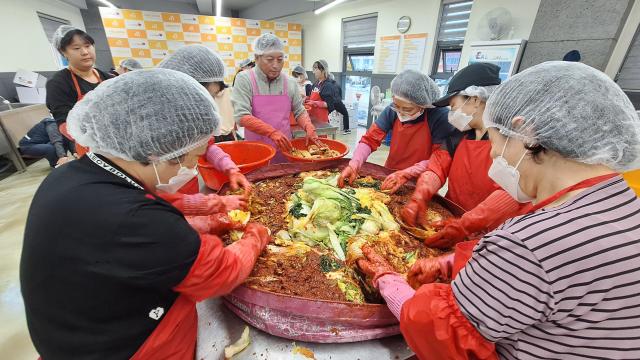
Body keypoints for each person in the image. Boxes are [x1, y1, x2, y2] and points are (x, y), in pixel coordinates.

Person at [357, 61, 640, 360]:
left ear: (524, 132)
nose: (492, 155)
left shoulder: (530, 244)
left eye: (495, 141)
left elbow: (445, 335)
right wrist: (455, 261)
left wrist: (389, 281)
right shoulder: (621, 201)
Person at [21, 68, 271, 359]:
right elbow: (220, 272)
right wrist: (256, 235)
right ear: (157, 151)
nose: (191, 168)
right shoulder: (139, 221)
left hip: (73, 334)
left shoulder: (74, 176)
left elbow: (151, 201)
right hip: (130, 347)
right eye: (192, 158)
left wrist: (214, 209)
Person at [391, 63, 524, 249]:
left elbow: (510, 194)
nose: (451, 114)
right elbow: (438, 165)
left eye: (453, 106)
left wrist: (466, 224)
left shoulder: (511, 141)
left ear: (475, 100)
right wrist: (420, 195)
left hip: (488, 234)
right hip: (450, 218)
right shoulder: (460, 134)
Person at [158, 44, 250, 210]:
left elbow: (207, 147)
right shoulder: (153, 127)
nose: (210, 105)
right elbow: (155, 205)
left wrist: (230, 169)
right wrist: (212, 205)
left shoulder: (191, 119)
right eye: (208, 96)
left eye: (214, 97)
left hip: (190, 194)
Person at [338, 69, 453, 187]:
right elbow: (369, 139)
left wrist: (408, 173)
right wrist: (354, 164)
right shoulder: (392, 111)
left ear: (423, 104)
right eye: (397, 106)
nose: (401, 112)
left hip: (422, 181)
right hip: (391, 174)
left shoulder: (440, 117)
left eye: (407, 109)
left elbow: (439, 159)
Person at [231, 33, 321, 163]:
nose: (276, 65)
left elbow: (299, 110)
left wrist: (308, 126)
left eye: (280, 60)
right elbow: (242, 116)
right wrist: (272, 132)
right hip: (256, 151)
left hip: (284, 149)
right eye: (270, 59)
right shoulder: (245, 79)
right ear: (257, 58)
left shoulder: (289, 82)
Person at [45, 25, 110, 133]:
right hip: (87, 144)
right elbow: (64, 125)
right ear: (63, 52)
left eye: (88, 46)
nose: (85, 52)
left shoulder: (107, 78)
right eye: (76, 48)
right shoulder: (58, 83)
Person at [306, 60, 351, 134]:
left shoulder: (328, 85)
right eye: (313, 69)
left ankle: (347, 129)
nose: (313, 72)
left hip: (321, 120)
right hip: (313, 118)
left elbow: (329, 104)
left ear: (323, 70)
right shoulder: (316, 83)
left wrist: (316, 103)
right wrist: (306, 98)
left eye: (316, 69)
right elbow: (312, 96)